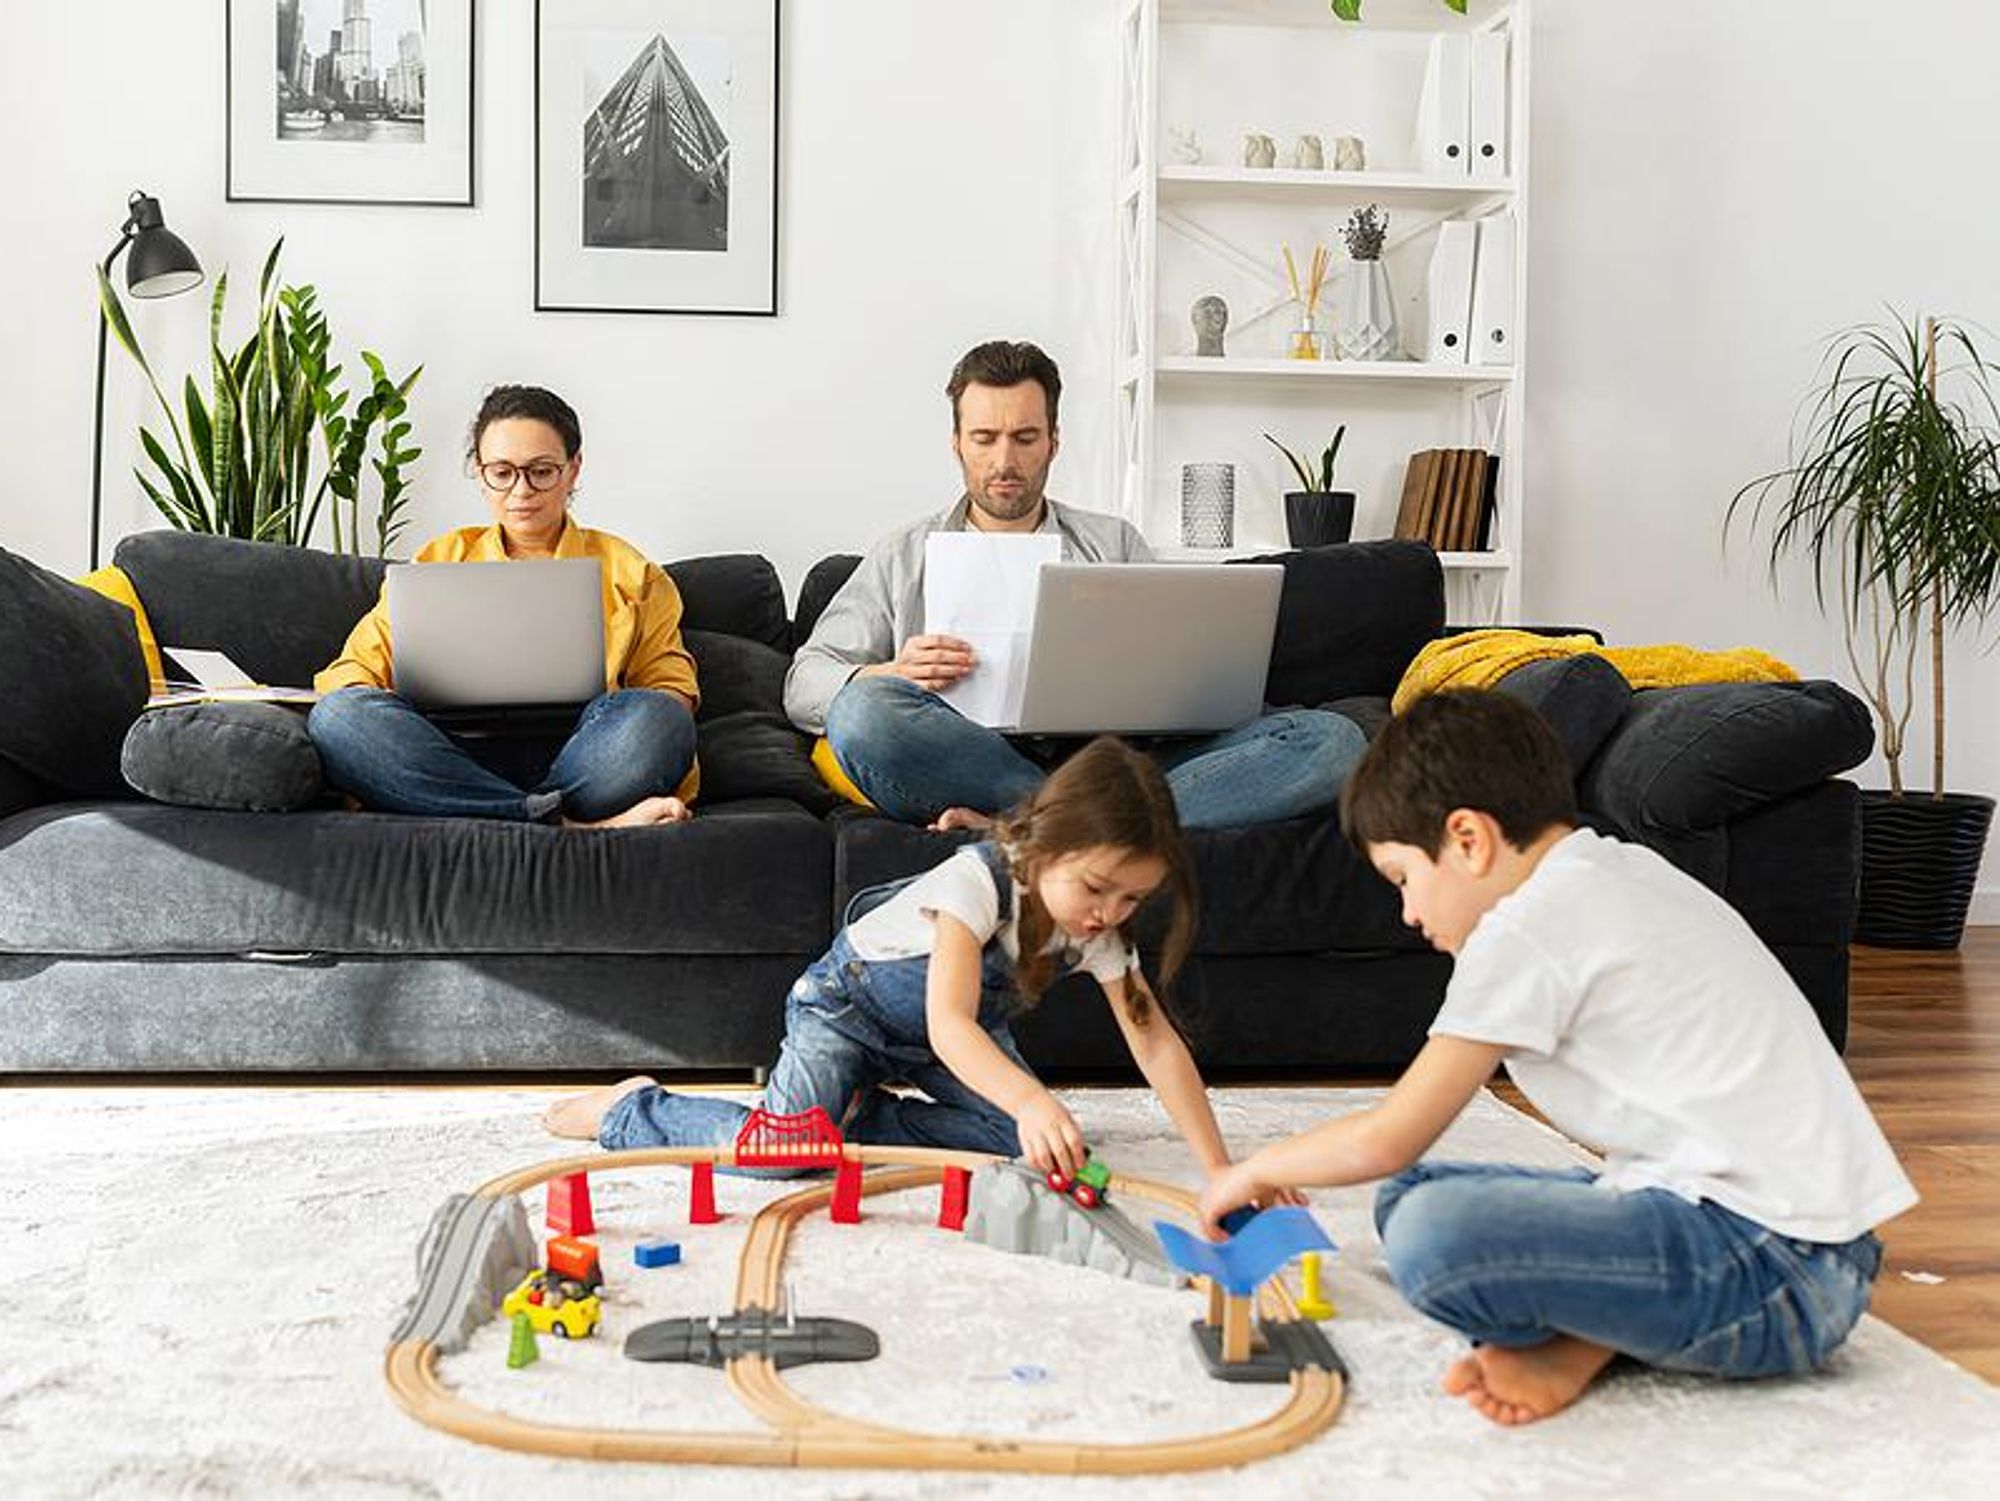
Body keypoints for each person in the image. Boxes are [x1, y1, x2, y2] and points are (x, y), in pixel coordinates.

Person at [1198, 690, 1916, 1426]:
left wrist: (1256, 1168)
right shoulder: (1612, 871)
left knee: (1435, 1235)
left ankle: (1594, 1330)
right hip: (1796, 1245)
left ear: (1469, 839)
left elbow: (1391, 1133)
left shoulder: (1527, 927)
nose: (1408, 913)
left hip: (1777, 1272)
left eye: (1403, 879)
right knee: (1409, 1194)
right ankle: (1585, 1337)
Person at [547, 736, 1261, 1189]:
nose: (1109, 913)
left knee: (1016, 1147)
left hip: (944, 1041)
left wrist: (1222, 1166)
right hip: (849, 1011)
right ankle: (629, 1108)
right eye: (1098, 888)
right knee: (779, 1154)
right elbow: (950, 1022)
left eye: (1133, 898)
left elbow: (1154, 1040)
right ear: (1044, 843)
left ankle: (849, 1124)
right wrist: (1031, 1096)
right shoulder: (977, 880)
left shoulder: (1100, 928)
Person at [783, 339, 1364, 832]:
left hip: (1118, 760)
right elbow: (805, 681)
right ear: (956, 443)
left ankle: (1047, 826)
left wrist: (1173, 688)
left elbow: (1184, 682)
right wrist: (891, 672)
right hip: (977, 760)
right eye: (984, 438)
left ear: (1054, 442)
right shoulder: (903, 552)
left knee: (1332, 740)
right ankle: (1091, 825)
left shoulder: (1114, 543)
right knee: (862, 713)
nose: (1004, 460)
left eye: (1025, 438)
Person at [308, 385, 700, 828]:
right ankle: (562, 824)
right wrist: (378, 698)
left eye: (542, 471)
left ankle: (502, 812)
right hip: (450, 751)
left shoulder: (633, 572)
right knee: (338, 716)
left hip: (585, 754)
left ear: (573, 470)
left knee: (661, 719)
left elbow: (673, 691)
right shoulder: (438, 561)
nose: (522, 490)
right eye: (502, 472)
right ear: (480, 472)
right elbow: (349, 674)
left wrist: (648, 717)